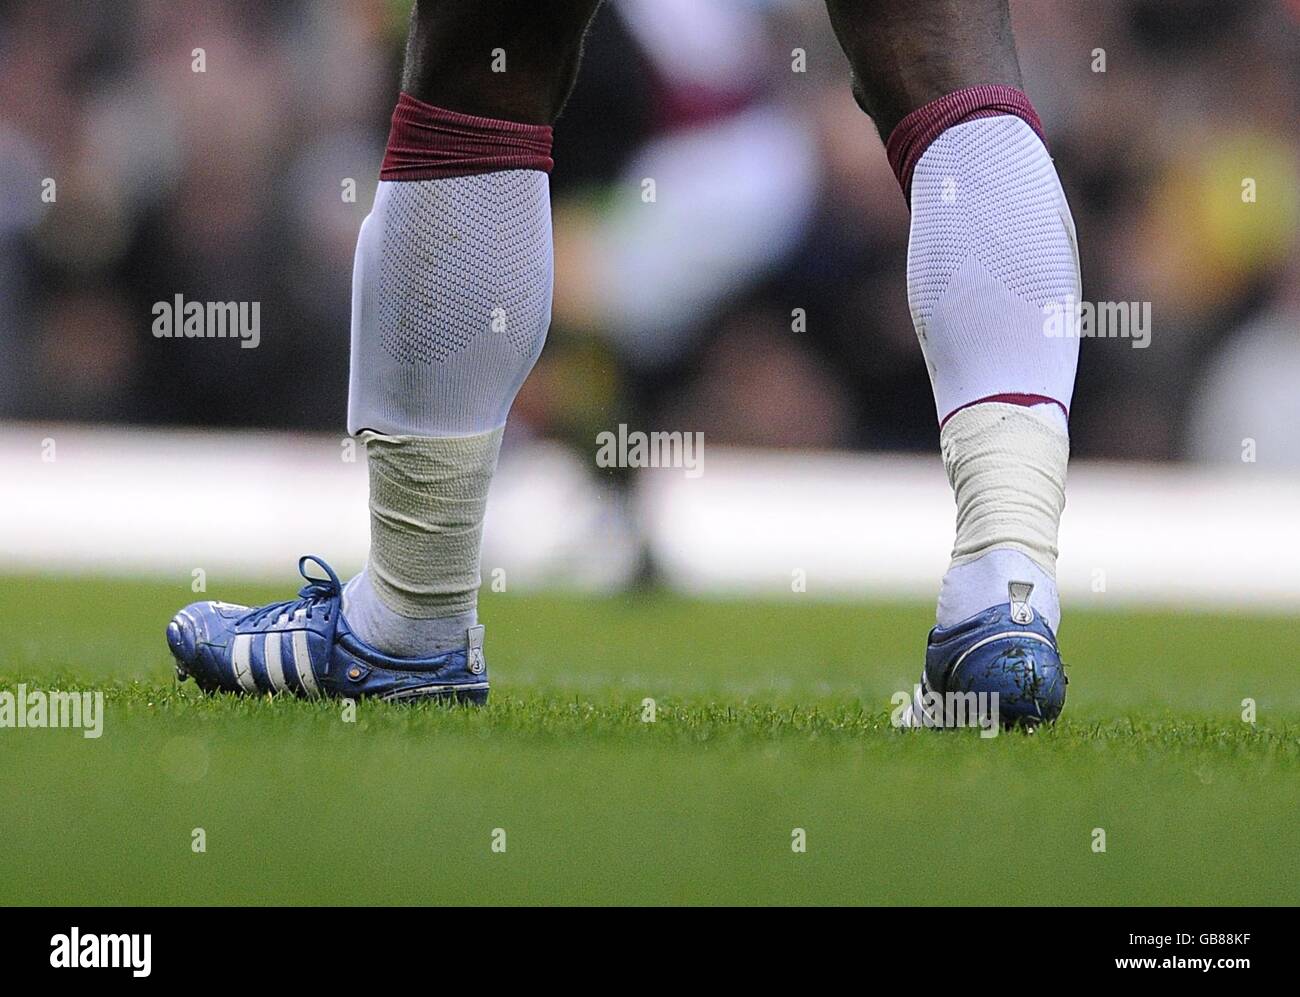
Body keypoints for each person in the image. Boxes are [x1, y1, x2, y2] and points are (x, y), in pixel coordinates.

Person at [167, 0, 1077, 725]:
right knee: (937, 35)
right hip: (719, 167)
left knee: (490, 43)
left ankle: (411, 618)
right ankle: (1005, 595)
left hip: (704, 170)